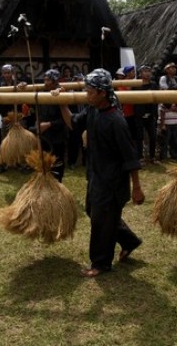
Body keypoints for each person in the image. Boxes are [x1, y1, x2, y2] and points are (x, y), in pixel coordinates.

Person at [61, 68, 145, 278]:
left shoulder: (116, 121)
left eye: (89, 91)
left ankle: (100, 263)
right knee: (94, 212)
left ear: (102, 93)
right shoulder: (92, 111)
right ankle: (129, 240)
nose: (86, 95)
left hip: (112, 181)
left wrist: (137, 188)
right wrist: (61, 102)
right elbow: (72, 123)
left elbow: (130, 157)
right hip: (95, 175)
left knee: (101, 221)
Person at [31, 69, 69, 182]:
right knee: (43, 163)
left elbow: (67, 120)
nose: (45, 82)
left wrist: (50, 124)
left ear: (55, 81)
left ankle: (57, 185)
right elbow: (39, 115)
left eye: (48, 80)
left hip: (58, 137)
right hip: (44, 137)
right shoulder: (42, 94)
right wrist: (37, 124)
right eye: (45, 80)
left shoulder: (62, 94)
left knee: (57, 163)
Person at [134, 65, 159, 163]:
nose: (147, 73)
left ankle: (152, 157)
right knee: (139, 137)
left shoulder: (154, 85)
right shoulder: (136, 86)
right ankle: (140, 157)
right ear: (140, 73)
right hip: (139, 114)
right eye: (145, 71)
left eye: (149, 71)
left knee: (153, 136)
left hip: (151, 114)